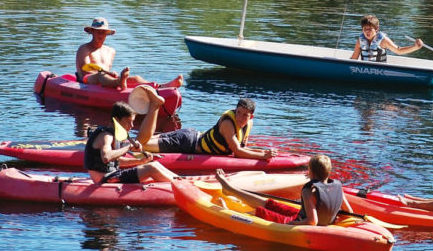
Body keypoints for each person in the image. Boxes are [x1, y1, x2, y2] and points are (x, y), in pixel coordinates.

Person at [215, 153, 352, 226]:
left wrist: (291, 223)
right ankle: (229, 189)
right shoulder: (338, 187)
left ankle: (228, 211)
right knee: (270, 204)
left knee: (261, 212)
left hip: (299, 222)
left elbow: (312, 222)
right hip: (301, 217)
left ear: (311, 172)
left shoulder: (309, 191)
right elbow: (349, 212)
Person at [136, 93, 276, 161]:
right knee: (141, 145)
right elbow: (237, 152)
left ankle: (122, 143)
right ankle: (155, 106)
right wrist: (263, 157)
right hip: (187, 143)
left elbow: (242, 148)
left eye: (245, 115)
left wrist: (263, 152)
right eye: (238, 113)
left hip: (190, 135)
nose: (240, 117)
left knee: (139, 143)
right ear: (235, 110)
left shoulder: (247, 124)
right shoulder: (228, 123)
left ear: (251, 117)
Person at [75, 17, 183, 90]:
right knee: (100, 75)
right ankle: (120, 82)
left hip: (106, 79)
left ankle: (161, 87)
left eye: (103, 32)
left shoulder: (110, 51)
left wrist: (111, 75)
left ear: (107, 34)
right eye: (98, 31)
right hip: (88, 80)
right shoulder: (84, 48)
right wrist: (108, 74)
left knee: (135, 78)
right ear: (92, 32)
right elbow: (86, 70)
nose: (101, 35)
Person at [84, 97, 175, 184]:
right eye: (128, 121)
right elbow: (106, 157)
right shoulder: (106, 136)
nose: (131, 126)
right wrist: (129, 147)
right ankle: (179, 185)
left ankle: (179, 180)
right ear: (116, 120)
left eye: (132, 122)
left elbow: (116, 161)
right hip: (106, 179)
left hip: (112, 175)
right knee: (151, 168)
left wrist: (141, 161)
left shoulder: (114, 135)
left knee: (155, 164)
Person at [350, 14, 423, 62]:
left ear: (376, 28)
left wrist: (415, 47)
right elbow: (354, 58)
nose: (367, 32)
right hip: (363, 69)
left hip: (379, 70)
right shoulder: (360, 40)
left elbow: (399, 50)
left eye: (370, 29)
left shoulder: (383, 41)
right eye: (364, 29)